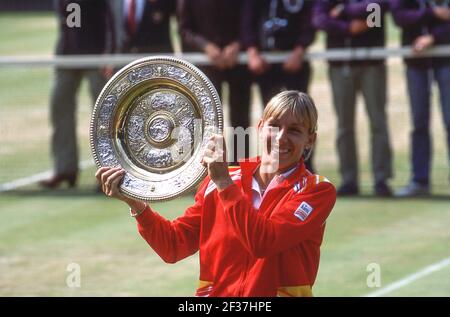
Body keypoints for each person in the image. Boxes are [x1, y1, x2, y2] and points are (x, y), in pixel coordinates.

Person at [96, 91, 336, 297]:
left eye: (294, 130)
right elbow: (173, 246)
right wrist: (136, 204)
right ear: (261, 128)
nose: (281, 137)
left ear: (310, 140)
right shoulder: (223, 180)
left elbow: (264, 242)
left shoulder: (316, 190)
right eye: (274, 126)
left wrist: (223, 182)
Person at [313, 0, 393, 196]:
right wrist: (347, 27)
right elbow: (319, 19)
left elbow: (376, 13)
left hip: (372, 63)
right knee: (344, 125)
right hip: (340, 65)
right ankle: (349, 179)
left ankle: (381, 179)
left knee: (378, 121)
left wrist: (343, 10)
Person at [40, 0, 115, 189]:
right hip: (67, 54)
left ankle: (108, 173)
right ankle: (65, 168)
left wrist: (109, 50)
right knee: (59, 106)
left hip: (96, 55)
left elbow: (111, 16)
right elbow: (67, 20)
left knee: (103, 116)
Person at [241, 0, 316, 172]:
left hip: (296, 64)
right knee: (273, 120)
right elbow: (247, 21)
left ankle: (304, 169)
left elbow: (310, 22)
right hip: (265, 65)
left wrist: (299, 50)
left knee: (300, 119)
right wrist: (252, 51)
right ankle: (271, 168)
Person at [177, 0, 252, 166]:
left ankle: (241, 169)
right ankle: (207, 169)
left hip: (239, 64)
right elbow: (184, 30)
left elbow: (251, 19)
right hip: (206, 66)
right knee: (208, 122)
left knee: (240, 121)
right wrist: (207, 47)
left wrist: (238, 45)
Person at [391, 0, 450, 197]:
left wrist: (434, 37)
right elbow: (399, 16)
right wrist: (433, 13)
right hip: (416, 62)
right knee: (419, 123)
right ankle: (420, 180)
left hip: (446, 60)